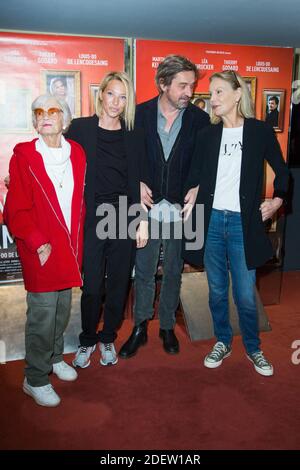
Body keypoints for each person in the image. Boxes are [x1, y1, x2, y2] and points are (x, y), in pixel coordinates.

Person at [183, 71, 289, 377]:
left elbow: (283, 172)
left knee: (244, 293)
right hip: (213, 222)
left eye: (218, 92)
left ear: (237, 94)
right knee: (216, 291)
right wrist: (191, 192)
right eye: (211, 93)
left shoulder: (259, 132)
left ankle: (254, 348)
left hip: (244, 225)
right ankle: (223, 341)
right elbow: (195, 176)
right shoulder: (207, 135)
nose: (212, 99)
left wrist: (277, 201)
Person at [119, 55, 210, 359]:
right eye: (182, 85)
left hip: (181, 209)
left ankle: (167, 326)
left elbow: (202, 161)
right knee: (143, 270)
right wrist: (136, 185)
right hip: (147, 208)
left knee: (173, 270)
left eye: (191, 86)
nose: (189, 92)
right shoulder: (139, 115)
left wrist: (197, 184)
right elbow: (128, 159)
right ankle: (141, 326)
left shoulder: (199, 119)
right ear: (163, 84)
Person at [3, 94, 86, 406]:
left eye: (52, 111)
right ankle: (34, 377)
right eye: (39, 112)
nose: (45, 116)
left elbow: (79, 204)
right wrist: (38, 243)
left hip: (69, 248)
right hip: (42, 248)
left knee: (62, 309)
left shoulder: (77, 153)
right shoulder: (24, 156)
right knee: (42, 315)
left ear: (64, 119)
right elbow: (16, 210)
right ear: (34, 120)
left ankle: (53, 357)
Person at [65, 71, 148, 369]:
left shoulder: (134, 135)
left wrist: (142, 220)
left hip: (123, 215)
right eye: (111, 94)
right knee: (92, 286)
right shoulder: (80, 129)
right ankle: (87, 339)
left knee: (118, 282)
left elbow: (139, 179)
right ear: (101, 94)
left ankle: (108, 337)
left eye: (123, 97)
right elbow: (57, 159)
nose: (116, 102)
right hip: (91, 216)